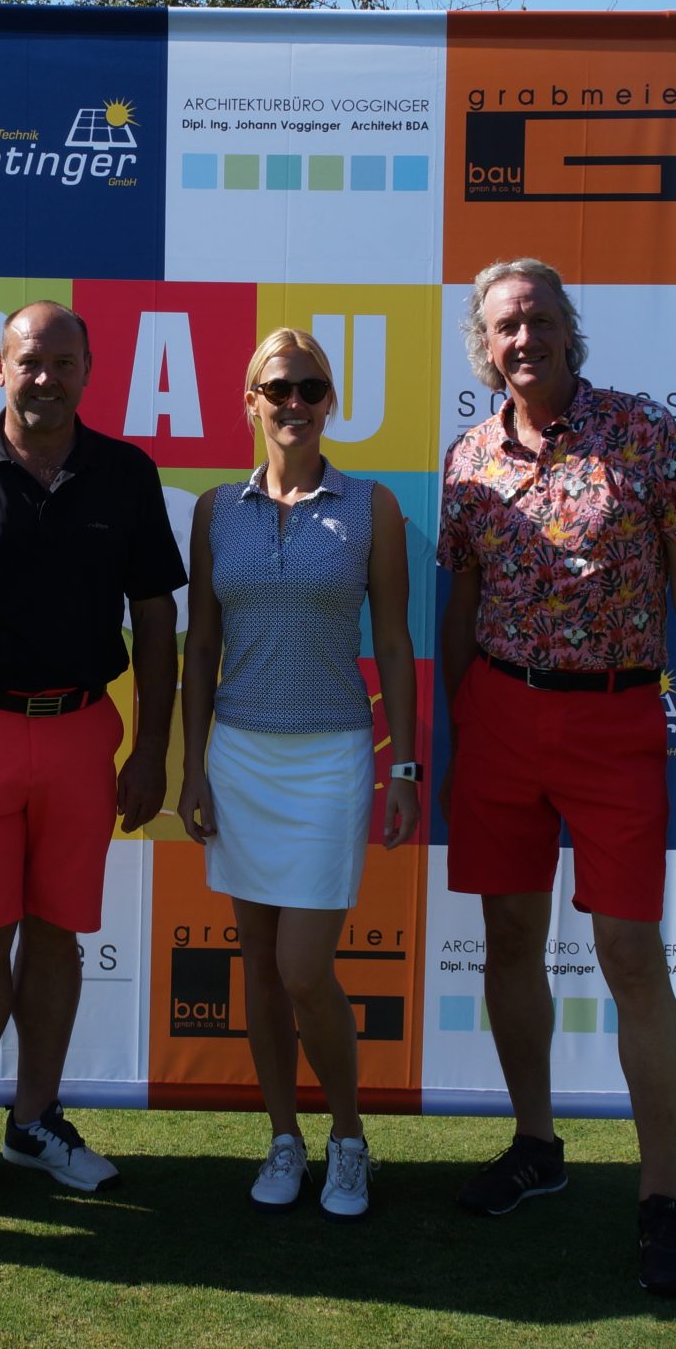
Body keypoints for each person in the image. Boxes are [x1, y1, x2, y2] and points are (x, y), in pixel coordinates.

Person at [436, 258, 676, 1297]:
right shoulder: (467, 459)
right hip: (499, 719)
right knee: (507, 940)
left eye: (538, 319)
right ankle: (536, 1145)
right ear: (484, 346)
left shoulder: (643, 433)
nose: (522, 338)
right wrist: (457, 725)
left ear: (568, 329)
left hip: (618, 719)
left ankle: (659, 1192)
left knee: (628, 951)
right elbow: (460, 604)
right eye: (504, 326)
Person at [0, 301, 185, 1215]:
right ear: (0, 368)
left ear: (87, 370)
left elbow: (157, 619)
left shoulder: (126, 474)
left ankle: (36, 1120)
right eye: (29, 361)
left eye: (62, 362)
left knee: (58, 932)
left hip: (83, 728)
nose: (45, 377)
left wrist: (153, 748)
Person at [179, 327, 420, 1221]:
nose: (294, 403)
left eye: (310, 388)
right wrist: (194, 765)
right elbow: (201, 645)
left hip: (329, 759)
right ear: (250, 401)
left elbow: (393, 641)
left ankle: (348, 1138)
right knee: (258, 962)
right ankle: (284, 1136)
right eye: (277, 387)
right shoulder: (215, 510)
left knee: (302, 968)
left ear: (331, 403)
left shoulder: (373, 508)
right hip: (238, 756)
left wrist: (406, 765)